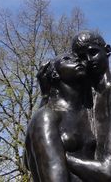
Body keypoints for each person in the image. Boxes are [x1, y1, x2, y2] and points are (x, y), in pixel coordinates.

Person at [65, 31, 111, 182]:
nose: (88, 60)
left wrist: (59, 155)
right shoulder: (86, 102)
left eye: (93, 52)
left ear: (107, 51)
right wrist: (47, 94)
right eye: (81, 57)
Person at [25, 53, 95, 182]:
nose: (76, 60)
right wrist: (45, 96)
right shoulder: (46, 117)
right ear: (54, 74)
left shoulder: (91, 114)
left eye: (77, 58)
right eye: (67, 59)